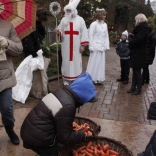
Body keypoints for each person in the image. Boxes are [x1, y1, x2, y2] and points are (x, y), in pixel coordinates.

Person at [20, 72, 97, 156]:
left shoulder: (61, 92)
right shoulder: (68, 106)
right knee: (55, 152)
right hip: (37, 138)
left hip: (28, 131)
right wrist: (82, 135)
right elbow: (65, 138)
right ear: (82, 96)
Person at [55, 0, 89, 85]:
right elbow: (60, 31)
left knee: (76, 61)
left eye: (69, 10)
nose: (68, 12)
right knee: (66, 61)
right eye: (67, 10)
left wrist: (83, 45)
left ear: (73, 10)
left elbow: (84, 32)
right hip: (65, 46)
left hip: (76, 45)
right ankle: (66, 80)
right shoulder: (63, 20)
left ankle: (76, 80)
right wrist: (57, 31)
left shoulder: (80, 19)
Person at [0, 20, 23, 145]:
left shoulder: (7, 26)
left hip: (5, 77)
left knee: (6, 108)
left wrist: (7, 43)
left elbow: (19, 49)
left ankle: (10, 130)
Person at [21, 8, 51, 99]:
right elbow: (27, 39)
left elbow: (43, 33)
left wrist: (39, 39)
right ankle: (30, 89)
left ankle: (41, 88)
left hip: (37, 48)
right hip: (29, 50)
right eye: (40, 19)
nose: (41, 21)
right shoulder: (28, 24)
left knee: (40, 70)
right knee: (29, 71)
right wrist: (32, 52)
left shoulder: (39, 24)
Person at [127, 13, 149, 95]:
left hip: (139, 53)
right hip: (136, 52)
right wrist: (133, 37)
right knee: (135, 70)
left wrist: (131, 42)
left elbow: (139, 40)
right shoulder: (141, 29)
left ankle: (138, 88)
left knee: (137, 71)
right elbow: (138, 38)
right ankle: (133, 87)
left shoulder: (143, 29)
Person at [86, 8, 110, 84]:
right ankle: (92, 77)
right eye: (104, 15)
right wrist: (91, 46)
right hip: (95, 46)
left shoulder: (105, 25)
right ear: (100, 15)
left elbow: (106, 36)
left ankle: (99, 78)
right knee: (94, 62)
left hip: (102, 46)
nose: (105, 16)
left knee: (100, 63)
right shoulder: (94, 24)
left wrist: (106, 45)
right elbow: (91, 36)